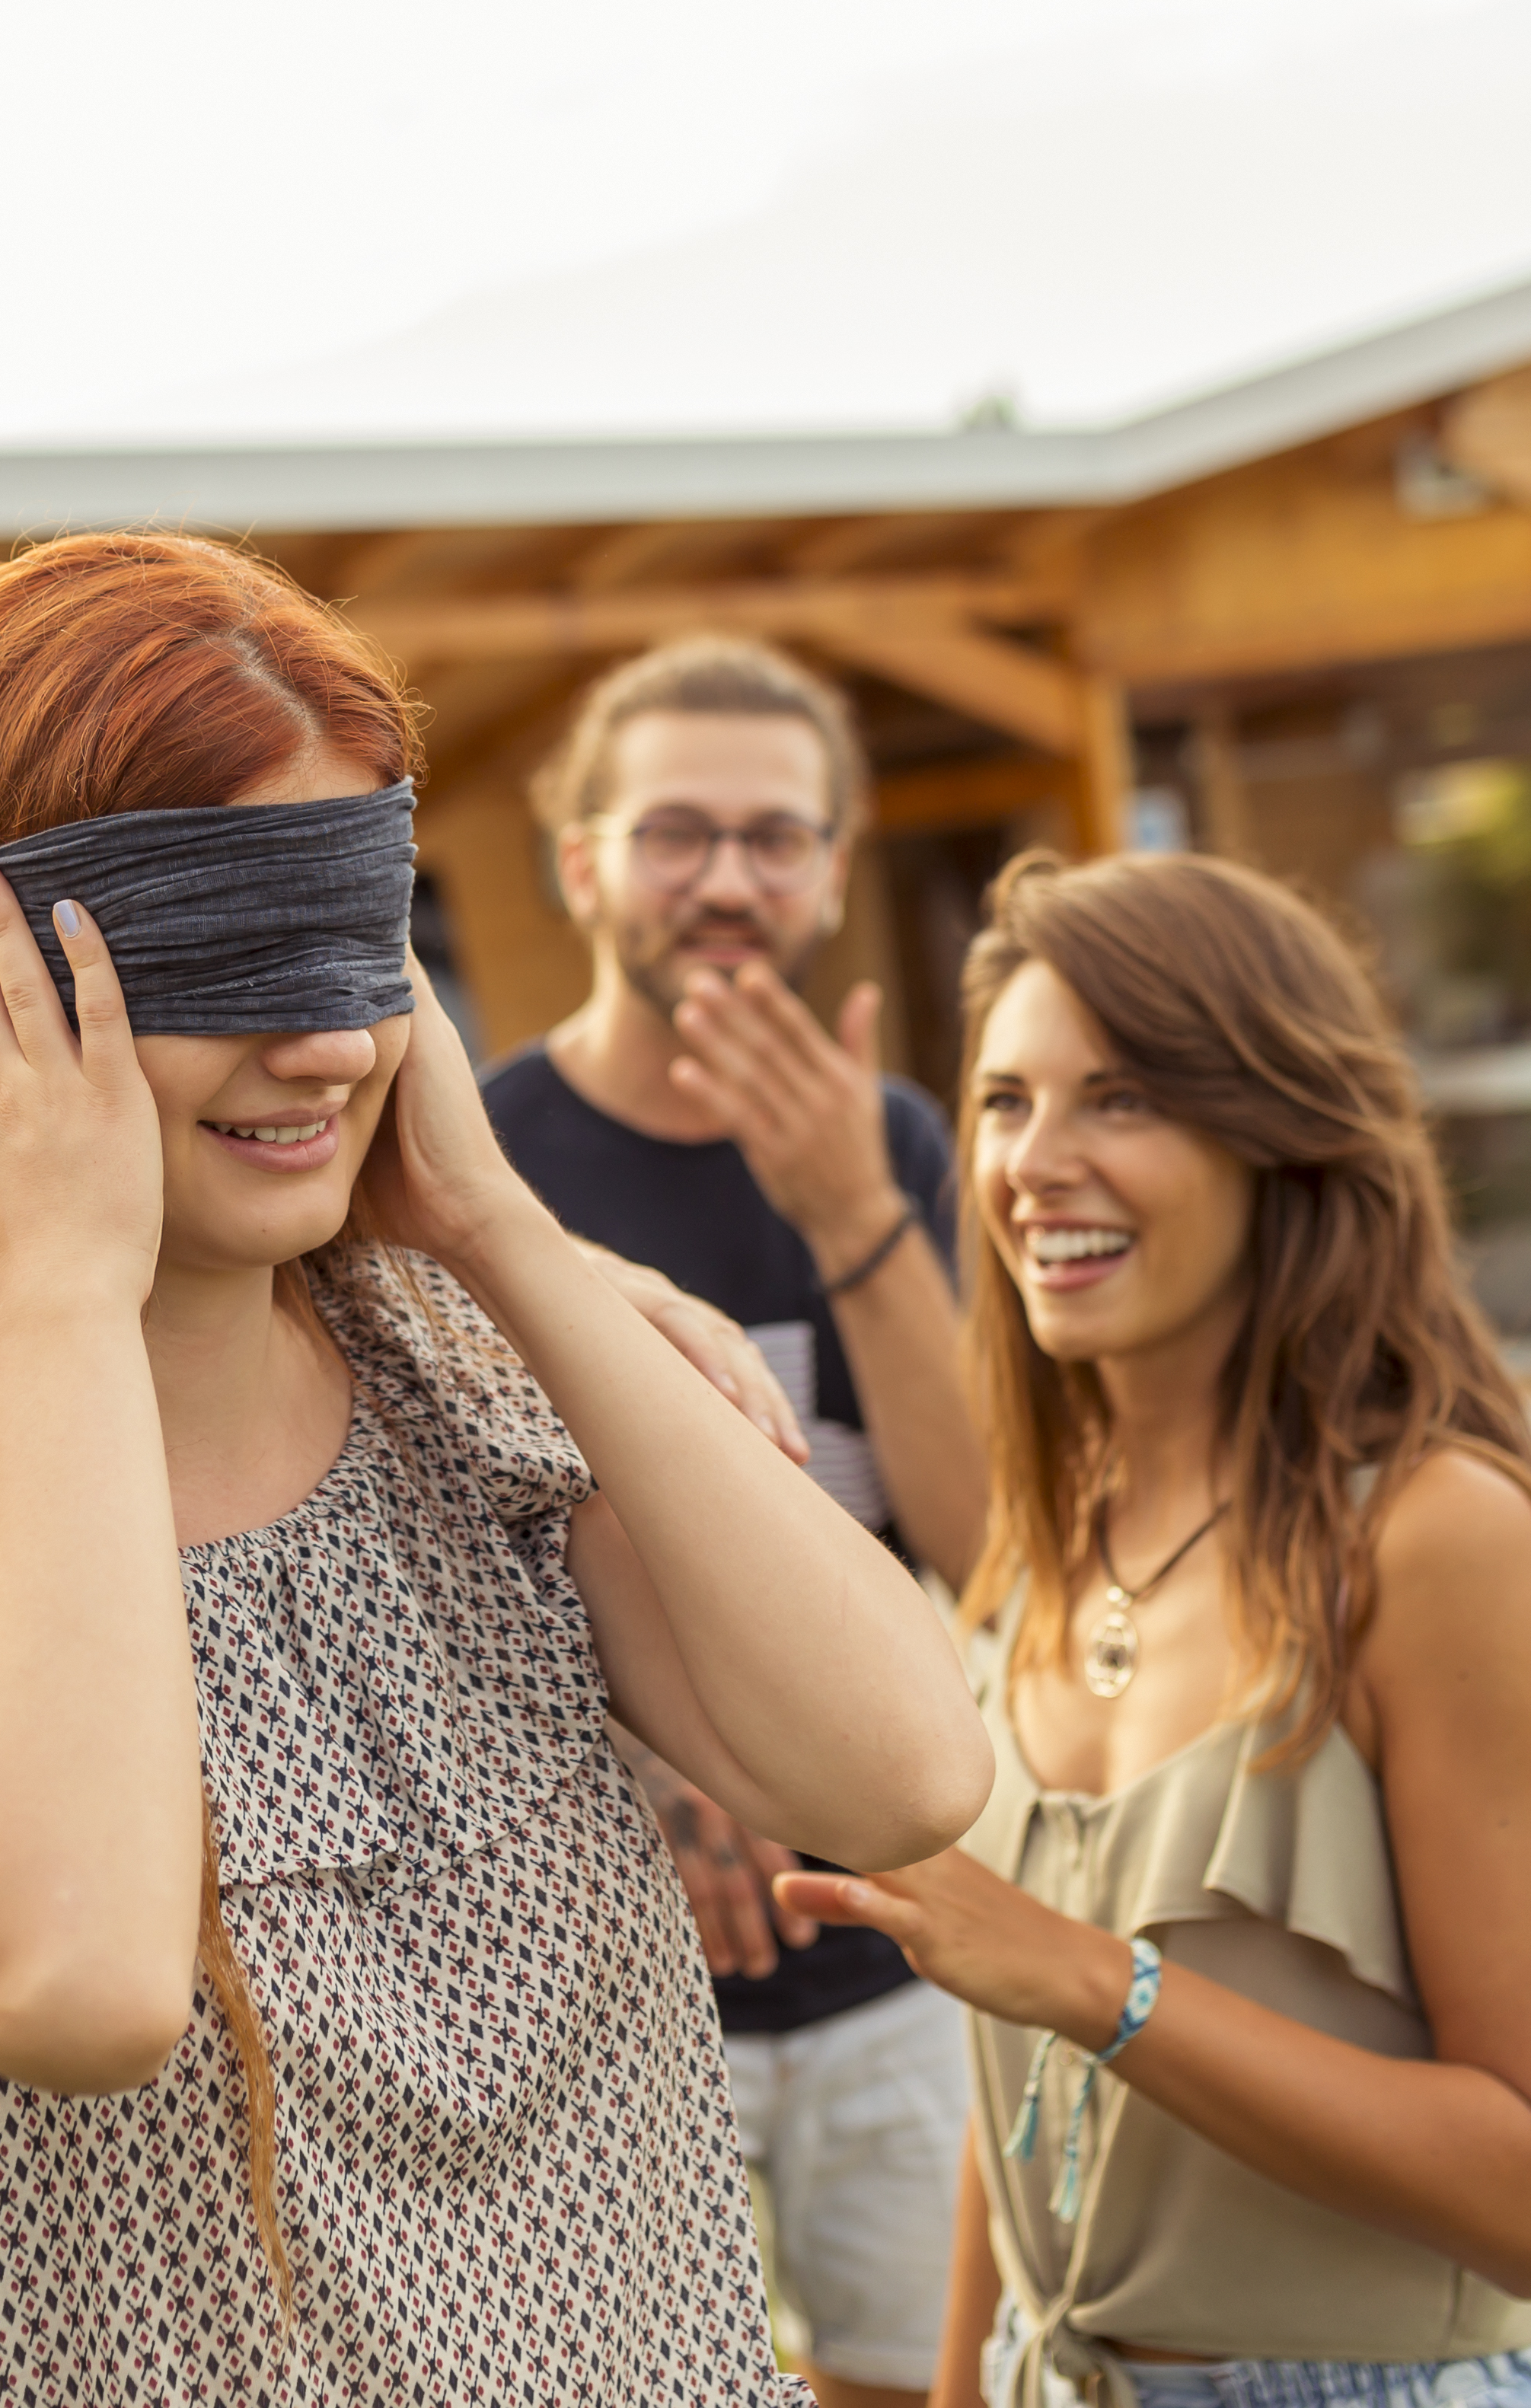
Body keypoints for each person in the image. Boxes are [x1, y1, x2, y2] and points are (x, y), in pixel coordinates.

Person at [0, 533, 992, 2404]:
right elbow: (79, 1982)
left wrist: (496, 1224)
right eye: (220, 952)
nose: (319, 1036)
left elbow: (899, 1776)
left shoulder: (459, 1375)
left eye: (350, 939)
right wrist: (61, 1289)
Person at [777, 849, 1531, 2407]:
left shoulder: (1434, 1539)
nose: (1037, 1160)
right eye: (1006, 1102)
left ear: (1276, 1140)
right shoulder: (1053, 1530)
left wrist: (1102, 1985)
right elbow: (1010, 2077)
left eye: (1123, 1100)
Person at [482, 636, 986, 2408]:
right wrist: (667, 1755)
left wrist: (857, 1210)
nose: (727, 879)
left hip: (895, 1961)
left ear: (837, 870)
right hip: (601, 1978)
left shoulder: (904, 1143)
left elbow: (980, 1530)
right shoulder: (477, 1166)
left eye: (777, 839)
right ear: (582, 863)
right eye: (676, 832)